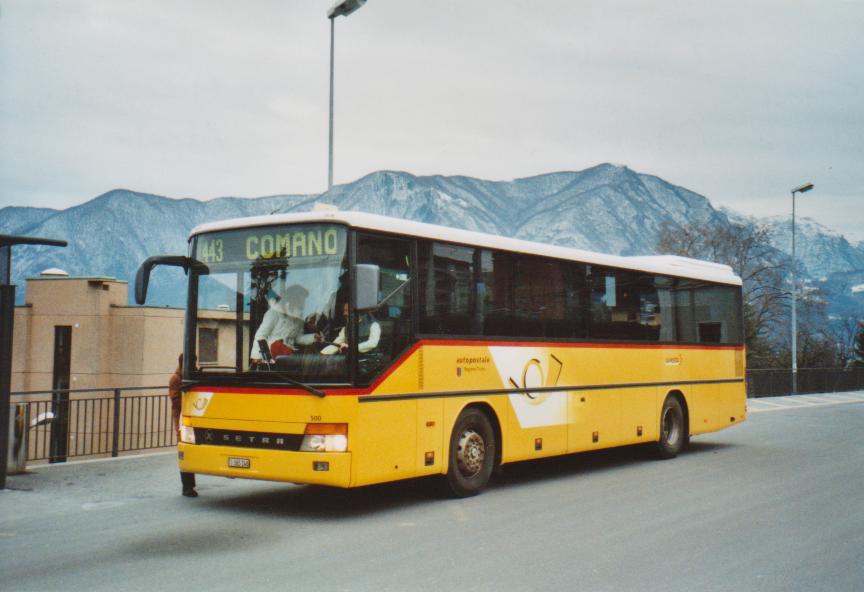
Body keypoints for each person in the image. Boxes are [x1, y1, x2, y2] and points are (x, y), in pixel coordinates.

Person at [251, 284, 316, 361]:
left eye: (303, 301)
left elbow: (297, 338)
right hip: (270, 360)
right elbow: (261, 335)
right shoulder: (274, 313)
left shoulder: (299, 319)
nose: (302, 304)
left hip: (289, 358)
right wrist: (257, 357)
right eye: (299, 300)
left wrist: (312, 338)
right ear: (291, 299)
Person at [169, 354, 197, 497]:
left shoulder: (188, 376)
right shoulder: (176, 379)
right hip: (181, 418)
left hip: (188, 416)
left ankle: (189, 485)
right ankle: (187, 486)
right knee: (184, 450)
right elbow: (175, 400)